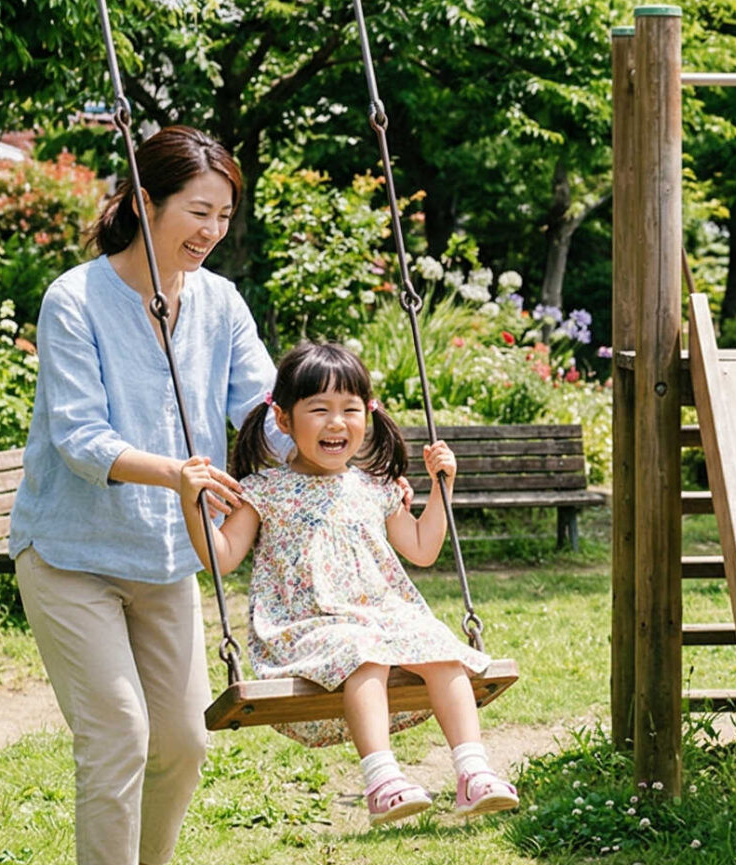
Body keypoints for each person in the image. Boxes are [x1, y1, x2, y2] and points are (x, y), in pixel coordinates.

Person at [7, 126, 271, 865]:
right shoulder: (75, 299)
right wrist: (180, 474)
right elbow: (81, 437)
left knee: (185, 736)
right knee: (119, 728)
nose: (211, 230)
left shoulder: (221, 303)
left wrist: (331, 427)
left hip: (164, 559)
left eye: (224, 215)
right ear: (147, 202)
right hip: (71, 552)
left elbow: (259, 404)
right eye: (198, 211)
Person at [178, 342, 519, 822]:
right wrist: (190, 508)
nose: (336, 423)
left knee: (439, 645)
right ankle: (382, 779)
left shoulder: (376, 487)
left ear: (369, 415)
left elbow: (422, 547)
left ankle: (474, 772)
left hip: (383, 618)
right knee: (362, 651)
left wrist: (443, 488)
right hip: (307, 627)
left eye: (349, 410)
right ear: (282, 420)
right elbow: (223, 557)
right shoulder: (262, 491)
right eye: (319, 410)